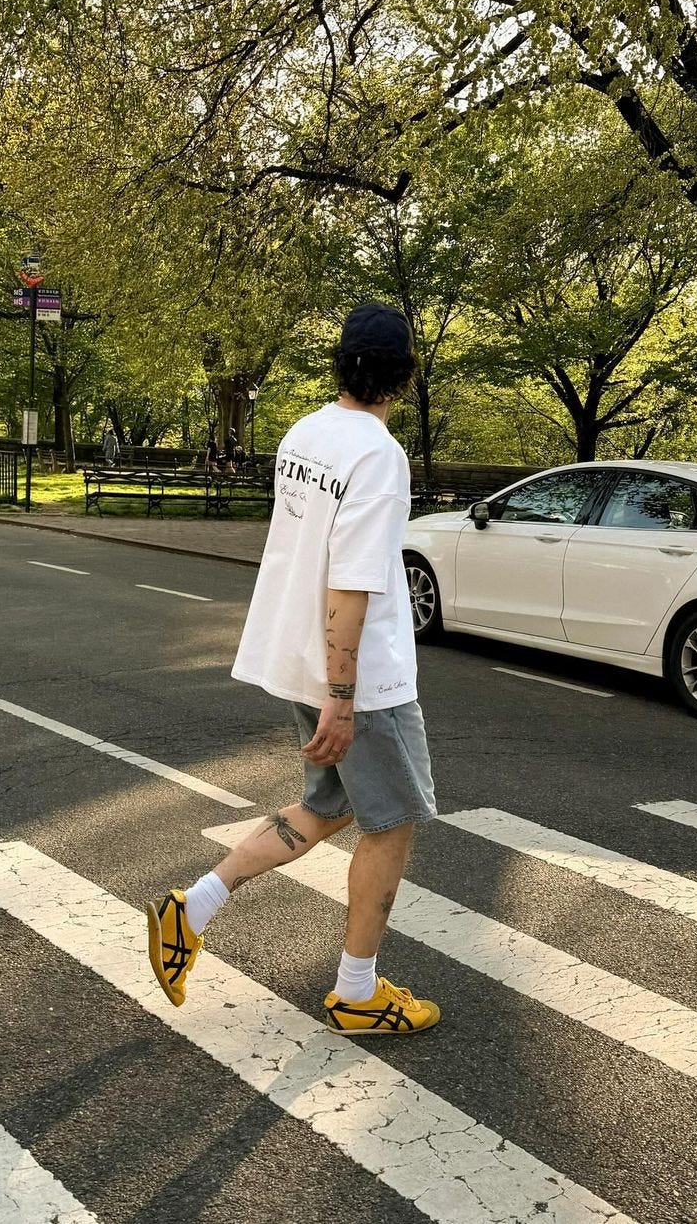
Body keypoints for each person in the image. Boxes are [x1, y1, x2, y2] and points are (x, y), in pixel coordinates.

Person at [146, 301, 439, 1035]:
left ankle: (191, 909)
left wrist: (324, 686)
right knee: (394, 821)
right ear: (403, 377)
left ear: (341, 364)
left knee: (331, 807)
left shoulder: (305, 432)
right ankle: (356, 991)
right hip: (360, 679)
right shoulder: (378, 455)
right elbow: (351, 580)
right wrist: (344, 695)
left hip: (303, 659)